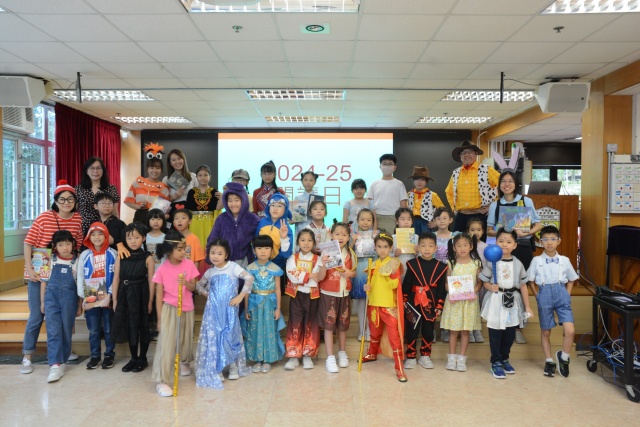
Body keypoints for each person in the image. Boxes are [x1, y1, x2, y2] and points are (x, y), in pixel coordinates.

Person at [20, 180, 83, 375]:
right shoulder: (44, 217)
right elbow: (28, 243)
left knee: (65, 316)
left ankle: (63, 351)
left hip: (66, 269)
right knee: (37, 315)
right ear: (55, 201)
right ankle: (27, 356)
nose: (66, 202)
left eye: (70, 199)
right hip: (41, 269)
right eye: (62, 199)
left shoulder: (77, 219)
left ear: (75, 201)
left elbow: (79, 244)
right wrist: (30, 269)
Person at [487, 170, 542, 345]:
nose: (507, 184)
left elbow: (538, 224)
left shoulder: (526, 201)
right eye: (503, 181)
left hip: (522, 246)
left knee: (519, 284)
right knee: (504, 283)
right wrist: (503, 231)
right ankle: (503, 321)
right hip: (502, 249)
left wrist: (526, 232)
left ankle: (518, 327)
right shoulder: (495, 205)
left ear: (515, 183)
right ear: (499, 185)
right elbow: (489, 230)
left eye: (510, 181)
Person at [195, 239, 254, 388]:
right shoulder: (210, 272)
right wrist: (208, 295)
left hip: (229, 309)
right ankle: (218, 367)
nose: (215, 256)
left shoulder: (232, 267)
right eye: (213, 253)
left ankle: (233, 365)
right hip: (213, 311)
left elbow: (249, 278)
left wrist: (240, 296)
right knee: (216, 336)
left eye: (220, 253)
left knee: (230, 334)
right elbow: (199, 285)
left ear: (226, 255)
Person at [480, 228, 533, 379]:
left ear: (515, 245)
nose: (504, 244)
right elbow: (484, 282)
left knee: (509, 333)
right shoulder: (491, 262)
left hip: (512, 301)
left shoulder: (518, 263)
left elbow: (523, 286)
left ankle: (505, 358)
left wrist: (527, 306)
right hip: (496, 300)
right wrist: (490, 287)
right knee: (495, 333)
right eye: (501, 241)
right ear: (495, 243)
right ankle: (495, 362)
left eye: (509, 242)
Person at [151, 230, 200, 397]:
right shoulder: (162, 269)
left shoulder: (189, 264)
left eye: (184, 248)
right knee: (166, 344)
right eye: (179, 249)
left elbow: (194, 287)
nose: (183, 252)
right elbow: (159, 295)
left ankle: (184, 362)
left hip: (187, 308)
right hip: (170, 308)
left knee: (185, 340)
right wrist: (159, 319)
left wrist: (186, 283)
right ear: (169, 250)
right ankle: (162, 380)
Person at [527, 226, 578, 378]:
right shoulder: (536, 260)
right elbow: (530, 280)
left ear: (558, 241)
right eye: (546, 239)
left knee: (570, 330)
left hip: (561, 292)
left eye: (553, 239)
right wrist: (537, 295)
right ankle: (549, 360)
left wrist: (567, 294)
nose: (549, 243)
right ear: (541, 242)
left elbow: (571, 279)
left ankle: (564, 357)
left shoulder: (564, 260)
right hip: (544, 293)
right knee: (546, 331)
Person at [361, 233, 407, 382]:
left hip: (388, 306)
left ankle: (399, 367)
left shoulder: (394, 263)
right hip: (374, 303)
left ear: (391, 248)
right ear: (375, 248)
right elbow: (371, 284)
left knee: (394, 337)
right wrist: (367, 287)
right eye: (379, 246)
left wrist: (393, 273)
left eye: (385, 247)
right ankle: (372, 353)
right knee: (374, 332)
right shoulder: (373, 264)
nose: (382, 250)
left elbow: (394, 285)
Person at [111, 223, 155, 373]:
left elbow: (151, 281)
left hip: (142, 293)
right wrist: (115, 300)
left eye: (137, 237)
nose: (133, 241)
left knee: (143, 326)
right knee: (130, 326)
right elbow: (116, 279)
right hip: (125, 293)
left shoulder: (148, 257)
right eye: (129, 238)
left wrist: (150, 301)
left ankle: (143, 358)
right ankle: (133, 358)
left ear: (143, 238)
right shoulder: (121, 256)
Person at [402, 232, 448, 370]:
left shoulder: (441, 267)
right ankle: (410, 356)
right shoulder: (412, 264)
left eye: (430, 246)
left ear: (436, 248)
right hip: (413, 301)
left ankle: (425, 356)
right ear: (418, 248)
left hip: (431, 302)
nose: (427, 249)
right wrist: (404, 301)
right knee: (412, 329)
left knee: (428, 330)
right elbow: (407, 284)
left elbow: (441, 289)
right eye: (423, 245)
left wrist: (439, 305)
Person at [77, 222, 119, 370]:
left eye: (100, 234)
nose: (97, 237)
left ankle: (109, 355)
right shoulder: (84, 255)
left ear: (106, 236)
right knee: (94, 329)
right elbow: (80, 276)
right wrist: (83, 295)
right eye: (93, 234)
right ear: (88, 237)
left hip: (108, 298)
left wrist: (110, 295)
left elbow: (116, 276)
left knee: (108, 329)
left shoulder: (113, 254)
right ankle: (95, 356)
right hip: (91, 299)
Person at [241, 235, 286, 374]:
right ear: (254, 250)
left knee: (269, 330)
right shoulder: (250, 268)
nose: (263, 251)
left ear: (271, 250)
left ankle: (268, 360)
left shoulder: (275, 268)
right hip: (254, 304)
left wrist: (278, 308)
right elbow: (247, 290)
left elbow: (278, 289)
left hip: (269, 304)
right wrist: (246, 308)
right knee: (254, 331)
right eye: (259, 248)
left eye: (267, 248)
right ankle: (257, 359)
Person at [316, 220, 357, 373]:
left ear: (348, 237)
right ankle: (330, 357)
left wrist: (349, 273)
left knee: (342, 326)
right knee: (328, 326)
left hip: (344, 293)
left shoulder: (350, 253)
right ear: (331, 235)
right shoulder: (325, 253)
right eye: (337, 234)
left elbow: (354, 272)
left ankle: (342, 353)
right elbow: (320, 277)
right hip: (329, 293)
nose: (340, 237)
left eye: (344, 235)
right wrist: (323, 263)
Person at [41, 230, 81, 383]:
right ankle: (55, 364)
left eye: (68, 244)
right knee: (53, 331)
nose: (65, 247)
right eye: (61, 244)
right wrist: (43, 302)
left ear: (73, 244)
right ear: (55, 246)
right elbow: (44, 282)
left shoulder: (77, 261)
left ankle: (62, 360)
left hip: (70, 300)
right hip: (51, 299)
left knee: (66, 330)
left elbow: (80, 286)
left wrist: (79, 305)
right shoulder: (49, 259)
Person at [440, 233, 482, 372]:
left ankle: (462, 358)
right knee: (453, 331)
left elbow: (480, 283)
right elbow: (447, 283)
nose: (462, 248)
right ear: (454, 248)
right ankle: (451, 358)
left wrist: (473, 292)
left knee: (465, 331)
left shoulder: (476, 263)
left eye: (465, 245)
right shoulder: (451, 263)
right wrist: (452, 293)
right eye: (458, 246)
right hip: (455, 302)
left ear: (471, 246)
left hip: (469, 303)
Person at [284, 229, 322, 370]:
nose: (306, 243)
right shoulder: (292, 258)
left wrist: (304, 276)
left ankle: (307, 355)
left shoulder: (318, 259)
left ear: (314, 243)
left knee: (311, 324)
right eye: (303, 240)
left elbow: (318, 277)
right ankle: (293, 356)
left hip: (312, 296)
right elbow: (292, 275)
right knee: (295, 323)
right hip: (296, 295)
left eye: (309, 240)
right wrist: (310, 276)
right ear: (298, 242)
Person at [445, 140, 500, 235]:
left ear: (476, 153)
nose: (466, 155)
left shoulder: (486, 170)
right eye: (463, 152)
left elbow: (503, 185)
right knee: (456, 241)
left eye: (469, 151)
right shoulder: (456, 173)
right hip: (461, 216)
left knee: (480, 243)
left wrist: (493, 205)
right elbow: (449, 192)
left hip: (480, 216)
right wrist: (454, 208)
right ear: (460, 156)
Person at [208, 182, 260, 270]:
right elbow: (213, 239)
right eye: (230, 200)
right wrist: (211, 259)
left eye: (236, 200)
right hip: (224, 262)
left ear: (243, 200)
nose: (233, 204)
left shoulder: (252, 219)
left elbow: (259, 241)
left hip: (246, 262)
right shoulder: (221, 218)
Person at [351, 208, 378, 342]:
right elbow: (348, 251)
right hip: (360, 269)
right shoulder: (354, 235)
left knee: (372, 300)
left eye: (369, 220)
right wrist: (353, 241)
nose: (365, 222)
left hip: (373, 268)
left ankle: (370, 331)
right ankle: (362, 330)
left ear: (373, 222)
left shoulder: (376, 234)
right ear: (357, 220)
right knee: (362, 301)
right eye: (362, 219)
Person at [75, 157, 120, 236]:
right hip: (85, 228)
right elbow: (74, 211)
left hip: (106, 227)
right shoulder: (78, 189)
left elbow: (115, 212)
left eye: (98, 168)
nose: (95, 171)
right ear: (87, 171)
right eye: (92, 168)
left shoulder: (111, 189)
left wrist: (118, 228)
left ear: (103, 171)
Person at [368, 154, 407, 235]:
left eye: (390, 164)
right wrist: (373, 218)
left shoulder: (399, 184)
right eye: (384, 164)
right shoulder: (374, 184)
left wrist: (402, 220)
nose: (387, 166)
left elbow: (403, 205)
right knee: (376, 240)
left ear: (394, 167)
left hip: (393, 218)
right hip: (376, 217)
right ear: (380, 167)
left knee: (392, 240)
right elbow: (369, 204)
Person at [124, 157, 170, 224]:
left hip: (156, 219)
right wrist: (138, 206)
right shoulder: (138, 183)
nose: (155, 171)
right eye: (152, 168)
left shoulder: (165, 188)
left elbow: (166, 209)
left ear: (161, 170)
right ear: (147, 169)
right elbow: (128, 201)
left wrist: (162, 216)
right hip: (140, 217)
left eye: (158, 168)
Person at [255, 193, 293, 275]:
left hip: (277, 266)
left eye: (279, 206)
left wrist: (284, 238)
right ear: (268, 208)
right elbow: (255, 242)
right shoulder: (262, 222)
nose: (275, 209)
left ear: (285, 210)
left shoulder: (286, 228)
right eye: (272, 205)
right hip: (260, 264)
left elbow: (287, 254)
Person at [185, 165, 220, 252]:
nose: (203, 178)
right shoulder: (191, 192)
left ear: (210, 176)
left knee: (209, 245)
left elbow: (217, 209)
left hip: (210, 223)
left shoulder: (214, 192)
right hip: (194, 223)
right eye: (200, 175)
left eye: (205, 175)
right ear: (196, 177)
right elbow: (188, 210)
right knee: (194, 245)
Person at [145, 208, 166, 340]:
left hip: (162, 276)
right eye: (153, 218)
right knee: (149, 301)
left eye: (159, 218)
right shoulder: (144, 237)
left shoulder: (166, 237)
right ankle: (149, 328)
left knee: (160, 302)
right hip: (147, 276)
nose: (156, 222)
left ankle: (160, 328)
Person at [406, 166, 444, 235]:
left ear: (426, 181)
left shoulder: (432, 195)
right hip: (411, 223)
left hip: (425, 223)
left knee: (426, 240)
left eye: (422, 179)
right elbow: (405, 210)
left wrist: (436, 222)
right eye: (417, 179)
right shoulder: (409, 194)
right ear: (413, 181)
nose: (419, 182)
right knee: (412, 241)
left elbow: (442, 210)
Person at [467, 217, 487, 343]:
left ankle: (477, 329)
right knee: (469, 306)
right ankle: (469, 329)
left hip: (481, 283)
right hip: (468, 283)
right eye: (472, 229)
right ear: (467, 231)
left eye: (479, 230)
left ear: (483, 231)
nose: (476, 232)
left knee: (478, 305)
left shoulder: (486, 247)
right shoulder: (466, 246)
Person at [163, 148, 197, 219]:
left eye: (179, 158)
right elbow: (162, 202)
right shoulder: (166, 179)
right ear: (170, 163)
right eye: (174, 160)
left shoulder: (193, 176)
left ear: (183, 159)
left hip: (191, 210)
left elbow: (199, 194)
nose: (177, 162)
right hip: (174, 212)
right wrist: (174, 197)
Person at [392, 207, 417, 277]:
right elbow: (386, 255)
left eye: (409, 219)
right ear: (397, 221)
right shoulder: (392, 238)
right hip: (397, 270)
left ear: (412, 221)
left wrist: (417, 253)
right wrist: (394, 254)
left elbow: (422, 256)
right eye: (403, 219)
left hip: (412, 270)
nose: (406, 222)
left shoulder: (416, 237)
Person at [293, 170, 319, 235]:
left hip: (314, 229)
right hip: (300, 229)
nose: (308, 182)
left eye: (311, 180)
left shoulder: (318, 198)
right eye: (305, 180)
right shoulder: (297, 198)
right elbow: (294, 217)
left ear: (315, 182)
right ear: (302, 181)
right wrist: (292, 219)